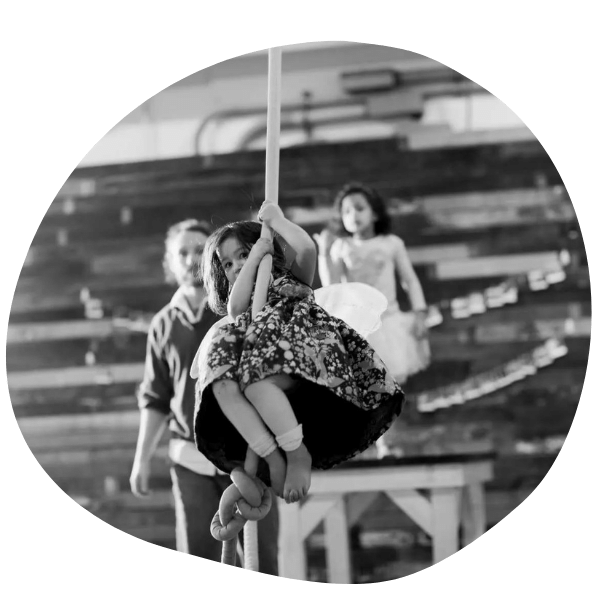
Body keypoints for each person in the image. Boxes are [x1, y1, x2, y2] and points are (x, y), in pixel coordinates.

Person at [192, 201, 405, 505]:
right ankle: (272, 457)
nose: (236, 265)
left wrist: (278, 223)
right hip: (252, 357)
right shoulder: (242, 301)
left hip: (297, 353)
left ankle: (295, 452)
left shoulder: (291, 278)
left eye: (242, 253)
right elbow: (235, 308)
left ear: (268, 251)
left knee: (257, 385)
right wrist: (253, 260)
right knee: (222, 387)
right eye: (227, 264)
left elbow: (307, 249)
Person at [129, 218, 279, 574]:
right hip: (190, 459)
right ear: (170, 262)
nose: (190, 258)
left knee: (262, 560)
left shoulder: (239, 310)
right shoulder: (163, 324)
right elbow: (155, 398)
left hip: (247, 452)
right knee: (199, 555)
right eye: (181, 252)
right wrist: (141, 460)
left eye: (199, 250)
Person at [314, 182, 431, 386]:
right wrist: (324, 252)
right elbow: (332, 287)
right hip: (359, 328)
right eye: (346, 211)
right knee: (365, 385)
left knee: (392, 385)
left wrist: (420, 313)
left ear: (375, 214)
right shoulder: (342, 247)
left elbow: (409, 280)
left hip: (390, 323)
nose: (353, 215)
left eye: (359, 208)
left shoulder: (391, 243)